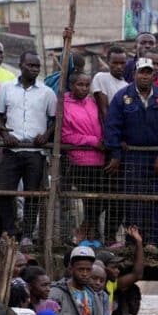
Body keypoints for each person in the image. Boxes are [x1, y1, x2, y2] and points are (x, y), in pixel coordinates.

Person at [103, 57, 158, 246]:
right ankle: (133, 241)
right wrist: (116, 154)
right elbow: (112, 127)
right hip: (131, 157)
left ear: (155, 75)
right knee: (132, 200)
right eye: (141, 72)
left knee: (156, 200)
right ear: (134, 74)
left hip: (156, 158)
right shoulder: (122, 97)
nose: (144, 76)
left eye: (148, 72)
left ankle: (154, 241)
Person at [0, 52, 55, 244]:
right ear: (21, 65)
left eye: (37, 66)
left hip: (35, 152)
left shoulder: (47, 92)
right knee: (4, 191)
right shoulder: (6, 89)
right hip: (12, 150)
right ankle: (10, 230)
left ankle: (27, 234)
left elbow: (54, 119)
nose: (34, 69)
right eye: (30, 65)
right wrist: (5, 135)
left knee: (32, 195)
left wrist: (46, 136)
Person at [61, 73, 106, 246]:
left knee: (100, 199)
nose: (84, 89)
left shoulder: (92, 103)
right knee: (89, 199)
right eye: (80, 84)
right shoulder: (64, 105)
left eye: (87, 85)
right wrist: (93, 141)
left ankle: (87, 231)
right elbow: (66, 135)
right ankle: (87, 235)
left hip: (100, 159)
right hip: (80, 160)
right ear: (72, 85)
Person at [92, 46, 129, 119]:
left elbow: (127, 108)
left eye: (122, 63)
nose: (119, 66)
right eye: (115, 63)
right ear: (108, 62)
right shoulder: (101, 77)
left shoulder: (127, 86)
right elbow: (103, 110)